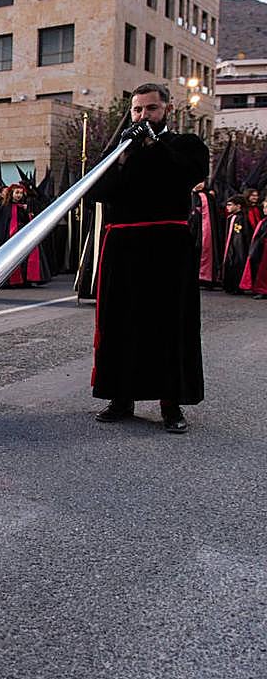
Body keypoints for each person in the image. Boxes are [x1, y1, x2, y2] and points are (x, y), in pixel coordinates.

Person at [89, 83, 207, 432]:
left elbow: (187, 174)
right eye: (137, 110)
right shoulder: (120, 148)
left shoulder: (185, 144)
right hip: (123, 246)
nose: (143, 116)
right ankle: (120, 397)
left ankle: (171, 404)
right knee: (120, 321)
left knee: (169, 323)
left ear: (167, 110)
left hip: (167, 246)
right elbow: (98, 191)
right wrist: (121, 157)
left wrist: (153, 145)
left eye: (151, 109)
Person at [0, 183, 49, 287]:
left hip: (23, 235)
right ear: (11, 193)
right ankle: (12, 280)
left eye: (21, 193)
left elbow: (28, 221)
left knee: (25, 258)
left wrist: (26, 212)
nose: (19, 195)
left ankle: (25, 279)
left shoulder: (24, 206)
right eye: (17, 193)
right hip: (10, 236)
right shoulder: (4, 206)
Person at [220, 195, 253, 295]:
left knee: (237, 265)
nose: (227, 207)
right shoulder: (231, 217)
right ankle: (229, 285)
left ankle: (236, 286)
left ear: (238, 206)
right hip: (230, 247)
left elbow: (244, 235)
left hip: (238, 248)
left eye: (230, 205)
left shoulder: (242, 218)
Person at [239, 201, 267, 299]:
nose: (264, 210)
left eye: (266, 208)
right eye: (264, 207)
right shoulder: (264, 221)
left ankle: (263, 290)